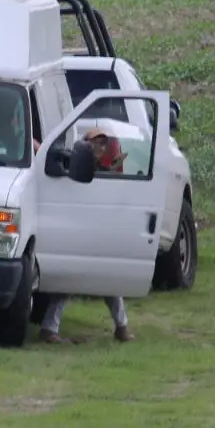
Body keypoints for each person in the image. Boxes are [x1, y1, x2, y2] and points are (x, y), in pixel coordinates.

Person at [38, 127, 134, 344]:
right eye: (93, 143)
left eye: (102, 143)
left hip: (99, 231)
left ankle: (122, 327)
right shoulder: (75, 165)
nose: (98, 147)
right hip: (79, 230)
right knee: (68, 281)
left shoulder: (107, 171)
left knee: (110, 281)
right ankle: (49, 328)